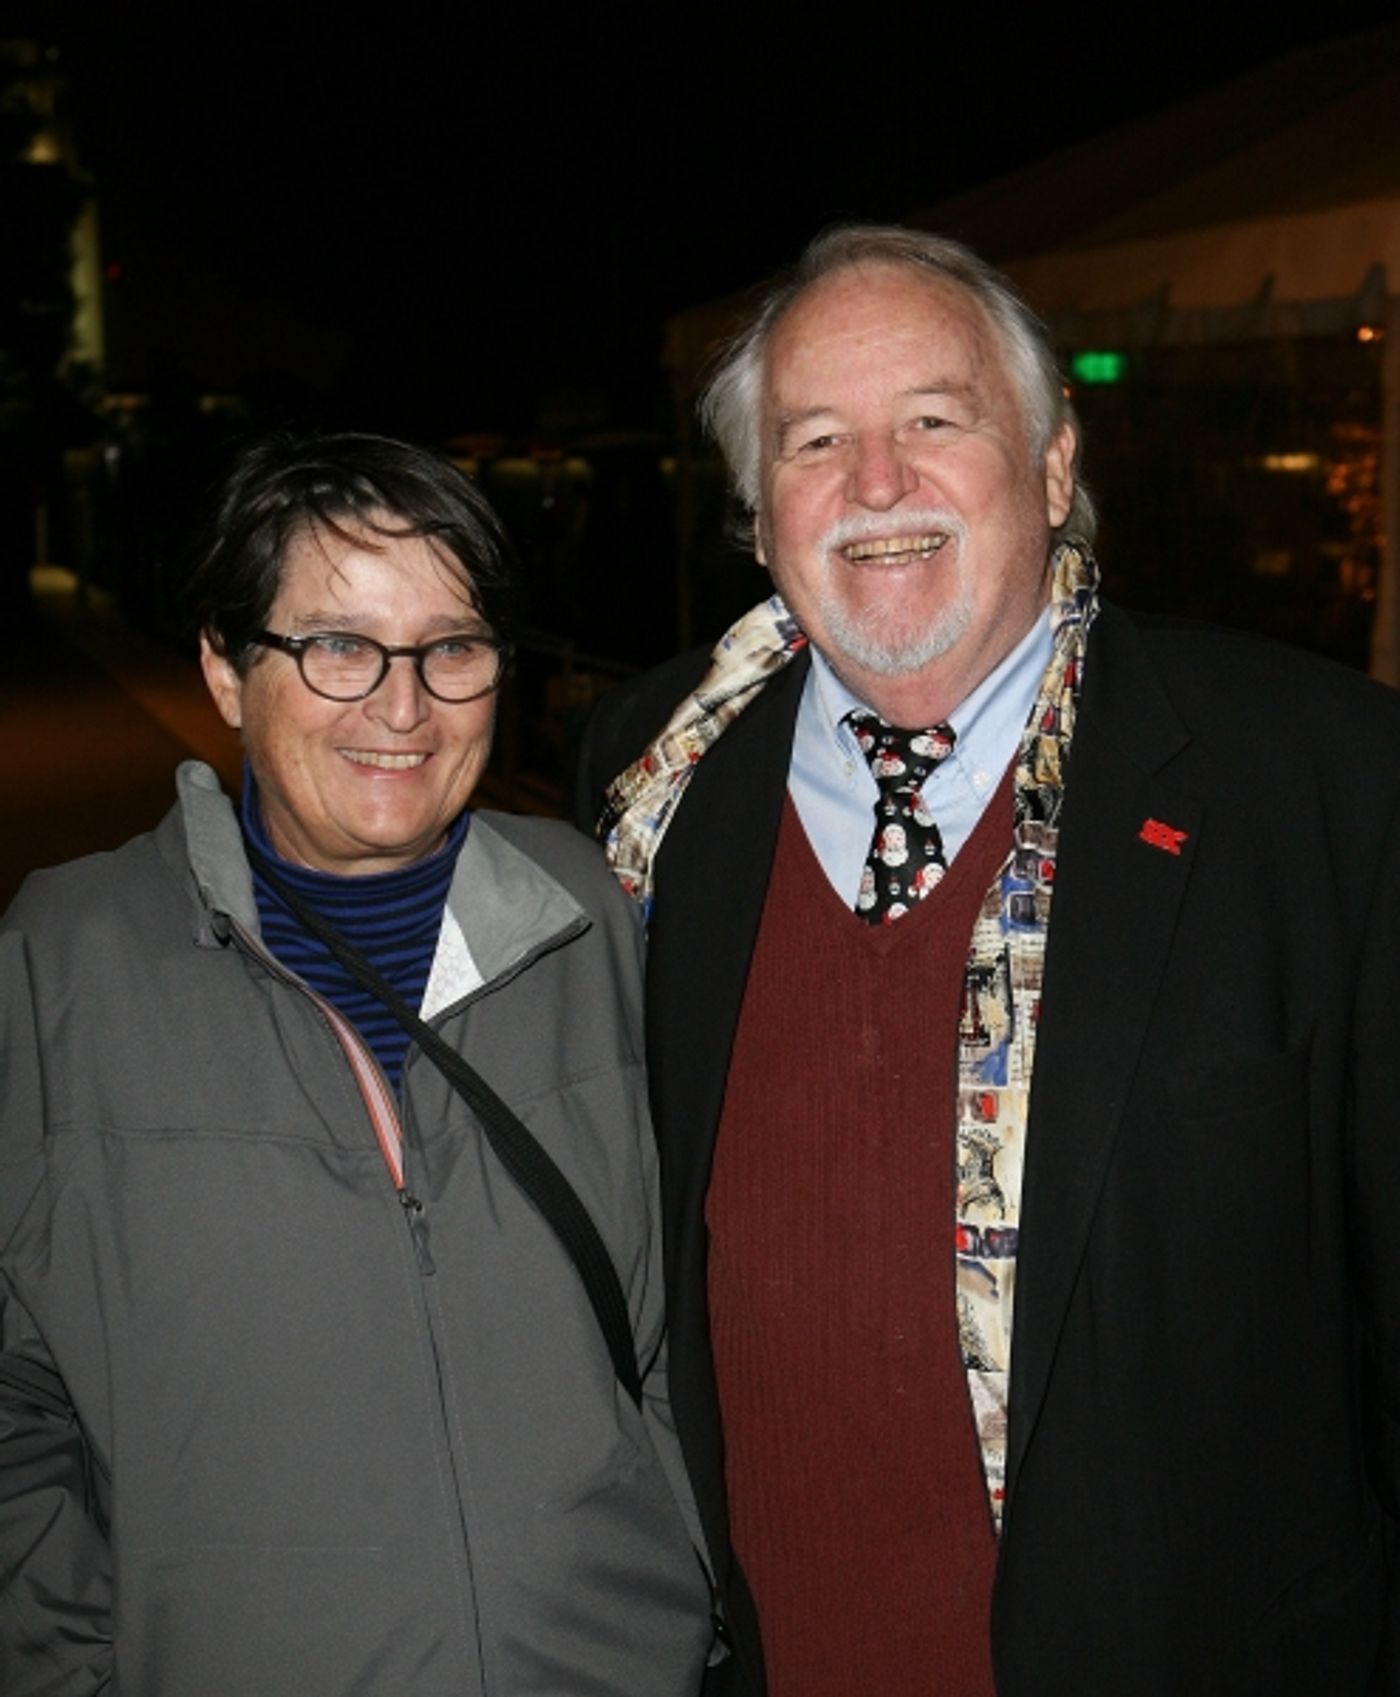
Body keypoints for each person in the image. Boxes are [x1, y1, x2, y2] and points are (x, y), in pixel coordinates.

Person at [577, 226, 1400, 1696]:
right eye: (815, 439)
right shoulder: (652, 781)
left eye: (935, 422)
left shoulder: (1323, 784)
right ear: (760, 513)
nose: (876, 484)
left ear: (1056, 465)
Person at [0, 431, 717, 1695]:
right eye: (336, 646)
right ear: (225, 668)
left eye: (452, 647)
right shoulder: (61, 963)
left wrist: (681, 1591)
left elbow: (670, 1325)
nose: (403, 705)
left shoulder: (583, 914)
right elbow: (19, 1406)